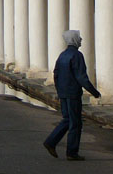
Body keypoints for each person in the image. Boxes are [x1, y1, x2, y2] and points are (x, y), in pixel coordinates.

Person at [43, 30, 100, 161]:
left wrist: (59, 91)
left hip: (63, 92)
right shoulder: (77, 55)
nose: (81, 39)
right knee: (75, 122)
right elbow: (81, 77)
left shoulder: (62, 55)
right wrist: (94, 92)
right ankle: (71, 152)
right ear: (74, 39)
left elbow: (56, 74)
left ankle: (51, 142)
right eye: (79, 37)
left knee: (67, 119)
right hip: (73, 93)